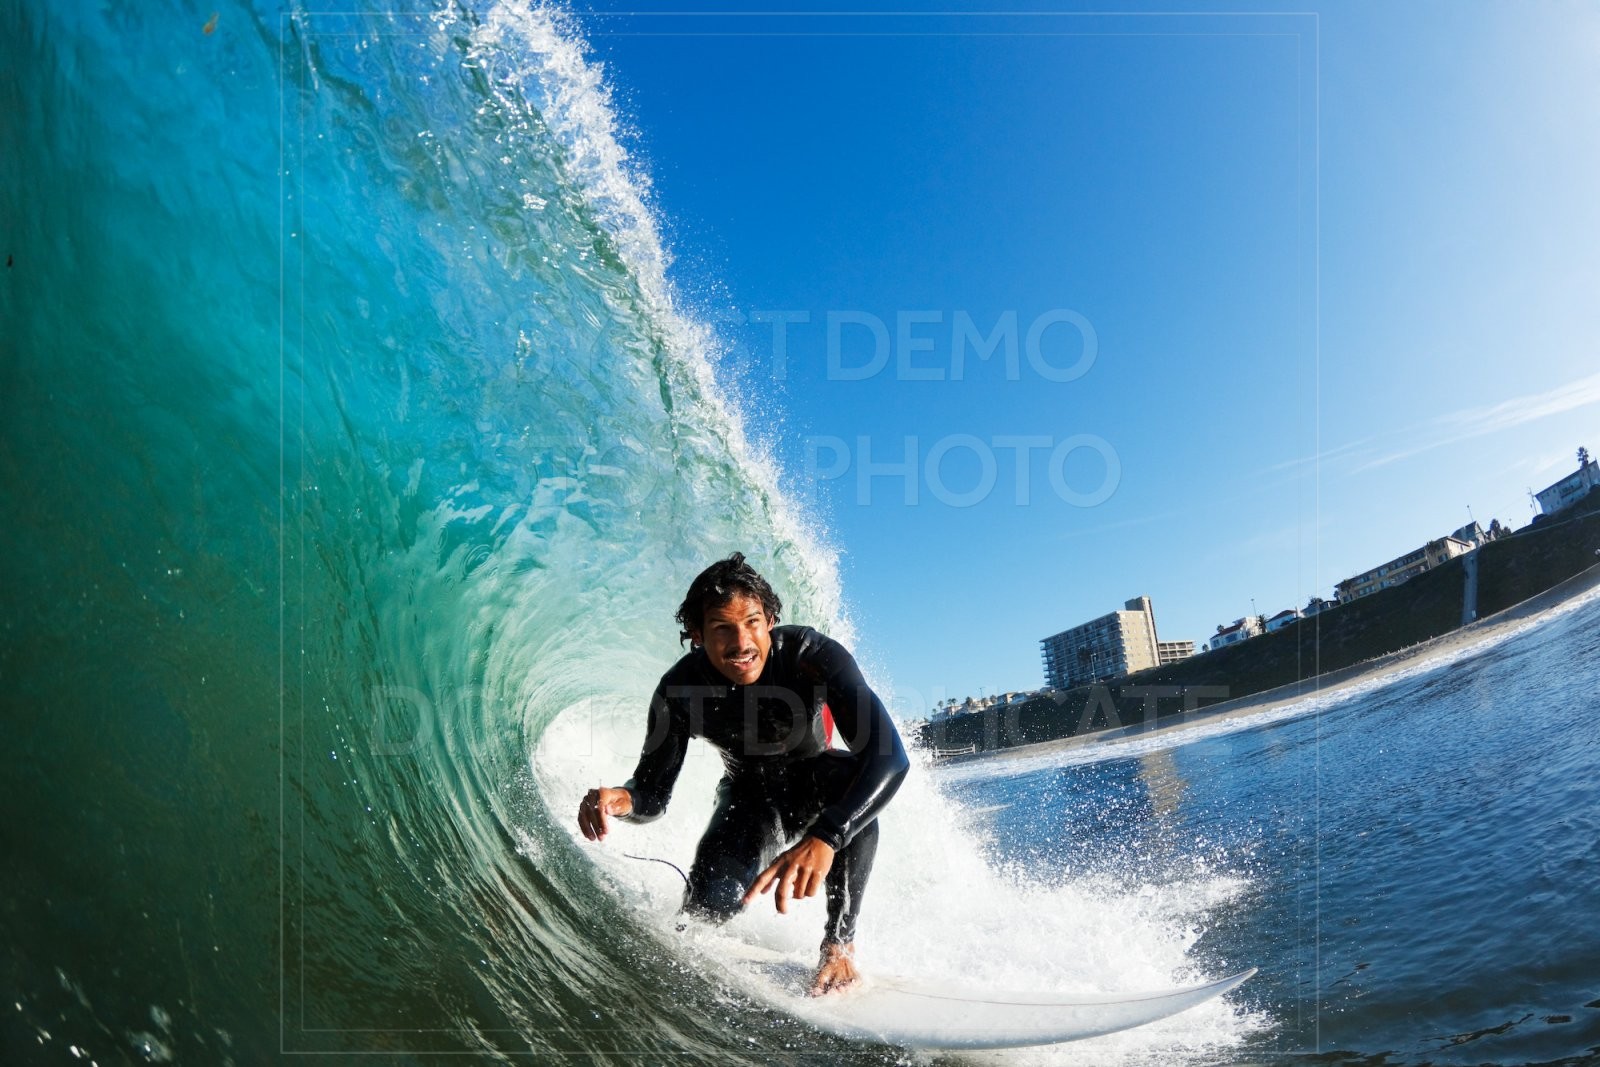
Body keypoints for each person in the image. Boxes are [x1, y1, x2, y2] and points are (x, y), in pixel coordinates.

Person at [577, 553, 909, 995]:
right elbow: (652, 792)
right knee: (704, 911)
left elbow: (890, 757)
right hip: (751, 800)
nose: (742, 642)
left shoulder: (811, 656)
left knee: (850, 780)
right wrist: (622, 800)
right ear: (696, 636)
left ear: (770, 619)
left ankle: (839, 947)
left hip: (819, 787)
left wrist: (828, 835)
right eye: (722, 629)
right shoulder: (679, 692)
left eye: (753, 622)